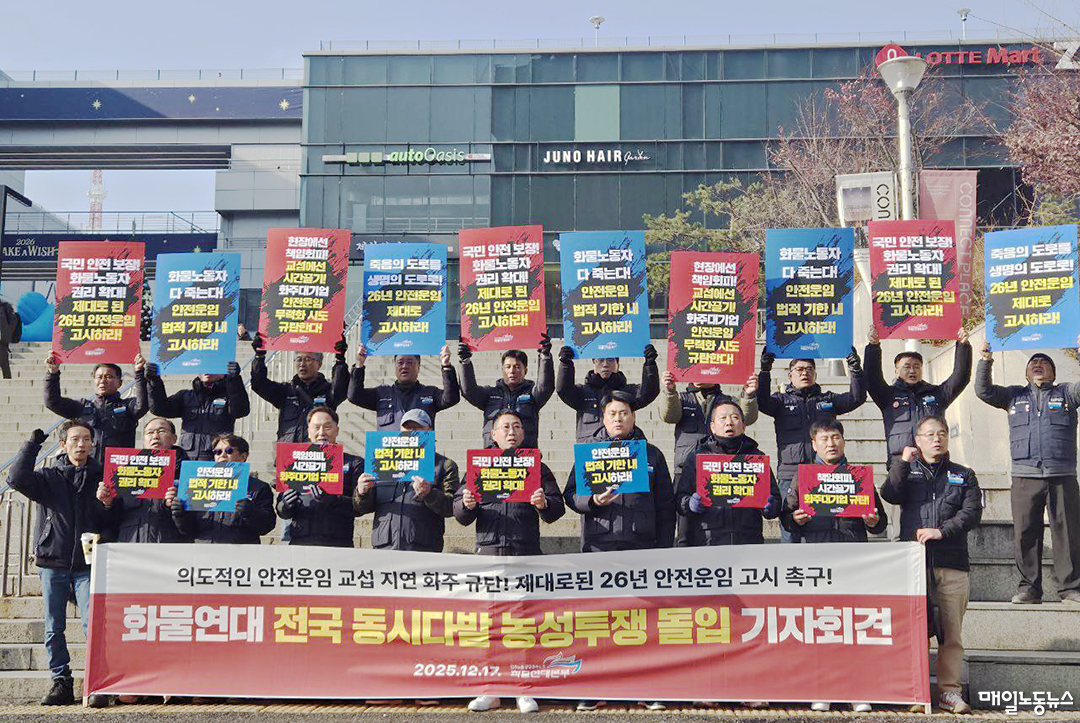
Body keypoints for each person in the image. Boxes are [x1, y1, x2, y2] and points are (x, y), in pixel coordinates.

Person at [563, 390, 674, 713]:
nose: (618, 419)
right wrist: (592, 501)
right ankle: (594, 687)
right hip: (599, 548)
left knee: (643, 623)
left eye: (624, 413)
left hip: (642, 547)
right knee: (598, 623)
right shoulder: (589, 452)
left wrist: (663, 550)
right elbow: (571, 495)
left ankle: (647, 687)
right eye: (612, 413)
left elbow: (666, 507)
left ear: (633, 417)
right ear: (603, 418)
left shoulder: (651, 455)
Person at [457, 409, 564, 713]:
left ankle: (523, 689)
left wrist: (544, 504)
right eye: (505, 427)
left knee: (523, 624)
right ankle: (490, 690)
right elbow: (460, 514)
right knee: (489, 626)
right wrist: (466, 504)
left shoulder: (536, 466)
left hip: (524, 552)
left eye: (517, 426)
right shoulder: (479, 465)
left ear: (524, 432)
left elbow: (557, 509)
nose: (511, 431)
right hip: (489, 552)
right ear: (493, 434)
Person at [779, 417, 885, 714]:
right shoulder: (803, 477)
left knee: (852, 628)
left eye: (836, 437)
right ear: (814, 445)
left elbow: (880, 522)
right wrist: (795, 519)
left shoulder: (859, 477)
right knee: (820, 628)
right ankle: (821, 687)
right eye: (824, 439)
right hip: (817, 562)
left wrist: (873, 521)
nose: (831, 443)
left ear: (844, 441)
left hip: (852, 561)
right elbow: (787, 519)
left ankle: (856, 689)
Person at [880, 415, 982, 714]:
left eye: (942, 434)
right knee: (915, 630)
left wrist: (942, 531)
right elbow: (889, 494)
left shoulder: (964, 474)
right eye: (929, 434)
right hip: (913, 565)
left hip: (952, 562)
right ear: (918, 440)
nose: (937, 439)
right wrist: (902, 463)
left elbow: (971, 513)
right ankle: (917, 690)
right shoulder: (907, 471)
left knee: (951, 633)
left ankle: (949, 691)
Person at [8, 422, 110, 707]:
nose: (81, 444)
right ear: (63, 445)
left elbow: (112, 518)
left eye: (87, 439)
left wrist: (107, 503)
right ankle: (61, 681)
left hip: (88, 562)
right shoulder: (48, 476)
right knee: (54, 626)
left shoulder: (102, 476)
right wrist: (32, 446)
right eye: (75, 439)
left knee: (93, 624)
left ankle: (97, 682)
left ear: (93, 444)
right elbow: (16, 479)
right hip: (53, 560)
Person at [974, 342, 1080, 606]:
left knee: (1067, 533)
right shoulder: (1014, 395)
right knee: (1025, 534)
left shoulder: (1067, 394)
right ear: (1026, 373)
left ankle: (1070, 588)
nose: (1038, 364)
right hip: (1024, 476)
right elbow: (983, 390)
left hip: (1062, 475)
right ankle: (1029, 589)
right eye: (1033, 362)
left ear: (1054, 373)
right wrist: (986, 360)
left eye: (1044, 362)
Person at [757, 349, 866, 541]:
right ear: (790, 375)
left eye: (809, 369)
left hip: (825, 475)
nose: (804, 373)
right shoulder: (781, 401)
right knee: (791, 533)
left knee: (825, 533)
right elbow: (762, 402)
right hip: (790, 476)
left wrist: (855, 368)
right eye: (799, 369)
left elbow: (856, 398)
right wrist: (765, 370)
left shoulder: (828, 400)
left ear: (815, 374)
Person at [676, 400, 782, 547]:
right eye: (723, 418)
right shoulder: (697, 458)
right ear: (712, 427)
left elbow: (776, 500)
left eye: (735, 417)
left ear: (744, 426)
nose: (729, 423)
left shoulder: (756, 458)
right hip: (708, 541)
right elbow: (680, 498)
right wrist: (689, 503)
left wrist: (771, 506)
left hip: (748, 541)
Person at [865, 326, 972, 468]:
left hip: (934, 465)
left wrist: (963, 346)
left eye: (916, 366)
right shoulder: (888, 396)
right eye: (907, 366)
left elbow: (961, 377)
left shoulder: (937, 394)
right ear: (896, 370)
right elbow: (872, 378)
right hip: (901, 465)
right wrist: (873, 346)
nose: (912, 370)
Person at [353, 409, 457, 552]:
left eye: (417, 428)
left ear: (430, 430)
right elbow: (361, 508)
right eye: (407, 428)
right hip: (385, 546)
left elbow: (452, 507)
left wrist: (430, 494)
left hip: (424, 548)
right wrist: (362, 492)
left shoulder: (444, 465)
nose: (412, 432)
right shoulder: (381, 461)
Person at [276, 407, 361, 547]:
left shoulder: (354, 463)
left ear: (337, 430)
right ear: (308, 431)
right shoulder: (292, 461)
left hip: (338, 543)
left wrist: (332, 500)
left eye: (327, 427)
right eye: (316, 427)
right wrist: (285, 505)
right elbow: (281, 511)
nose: (321, 433)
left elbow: (360, 507)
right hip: (300, 543)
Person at [44, 353, 149, 466]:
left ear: (120, 382)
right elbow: (52, 402)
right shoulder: (81, 407)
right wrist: (53, 373)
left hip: (118, 469)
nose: (102, 381)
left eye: (109, 376)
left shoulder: (128, 406)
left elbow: (142, 405)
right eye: (99, 377)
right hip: (87, 469)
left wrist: (139, 372)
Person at [170, 433, 276, 544]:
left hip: (240, 552)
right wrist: (180, 514)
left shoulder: (259, 487)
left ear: (243, 456)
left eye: (229, 451)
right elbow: (188, 530)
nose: (222, 455)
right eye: (218, 452)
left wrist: (250, 512)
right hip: (204, 551)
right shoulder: (198, 485)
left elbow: (266, 527)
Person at [99, 417, 191, 544]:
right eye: (150, 432)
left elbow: (192, 527)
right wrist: (108, 504)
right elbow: (111, 524)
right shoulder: (124, 470)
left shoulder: (187, 473)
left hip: (169, 546)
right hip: (129, 545)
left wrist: (177, 508)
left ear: (174, 438)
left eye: (161, 431)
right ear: (144, 440)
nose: (155, 436)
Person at [458, 335, 554, 448]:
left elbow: (545, 387)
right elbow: (469, 391)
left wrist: (545, 357)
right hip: (493, 454)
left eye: (517, 367)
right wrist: (465, 361)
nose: (512, 371)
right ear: (502, 370)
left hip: (525, 454)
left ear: (525, 370)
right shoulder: (490, 394)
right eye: (508, 367)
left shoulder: (532, 394)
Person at [250, 333, 350, 443]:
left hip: (318, 450)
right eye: (299, 359)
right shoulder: (286, 391)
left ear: (319, 364)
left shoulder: (328, 391)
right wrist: (259, 357)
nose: (302, 364)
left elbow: (341, 387)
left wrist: (340, 359)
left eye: (308, 359)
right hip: (288, 451)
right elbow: (259, 384)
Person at [145, 360, 250, 460]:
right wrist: (154, 380)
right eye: (203, 366)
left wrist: (234, 380)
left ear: (223, 371)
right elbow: (159, 409)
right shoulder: (186, 396)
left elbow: (241, 410)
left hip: (215, 458)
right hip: (186, 459)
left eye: (213, 367)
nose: (208, 370)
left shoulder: (229, 397)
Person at [556, 344, 660, 443]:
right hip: (590, 450)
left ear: (617, 364)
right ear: (594, 364)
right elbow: (564, 390)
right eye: (600, 360)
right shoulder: (583, 393)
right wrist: (566, 364)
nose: (605, 364)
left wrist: (650, 364)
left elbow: (649, 392)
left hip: (623, 449)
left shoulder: (627, 392)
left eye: (610, 360)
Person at [348, 346, 460, 430]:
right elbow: (354, 396)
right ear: (395, 366)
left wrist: (446, 366)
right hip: (388, 452)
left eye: (410, 362)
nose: (404, 366)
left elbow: (451, 398)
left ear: (418, 366)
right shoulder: (381, 393)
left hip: (421, 452)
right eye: (400, 363)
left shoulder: (430, 393)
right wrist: (359, 364)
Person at [0, 297, 19, 379]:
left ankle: (7, 380)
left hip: (2, 339)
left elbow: (13, 320)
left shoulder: (5, 306)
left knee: (4, 362)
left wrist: (7, 332)